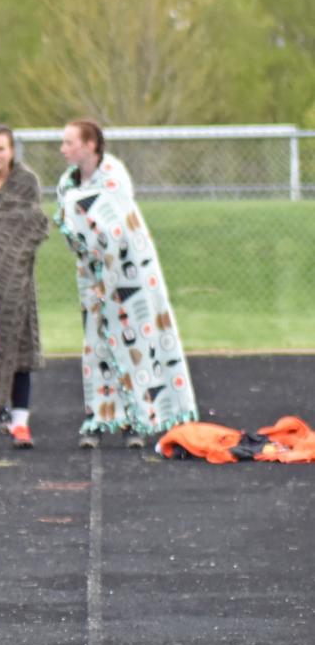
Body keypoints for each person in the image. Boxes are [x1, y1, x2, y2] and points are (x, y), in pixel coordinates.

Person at [56, 118, 197, 448]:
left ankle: (138, 419)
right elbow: (74, 224)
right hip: (93, 279)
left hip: (129, 276)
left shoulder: (114, 177)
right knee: (97, 345)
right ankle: (99, 417)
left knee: (136, 344)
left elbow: (116, 225)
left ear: (89, 145)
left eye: (69, 143)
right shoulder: (67, 183)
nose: (63, 150)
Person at [0, 123, 49, 450]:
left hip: (16, 281)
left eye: (1, 148)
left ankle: (19, 422)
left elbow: (33, 225)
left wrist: (10, 256)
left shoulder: (26, 182)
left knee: (18, 352)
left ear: (11, 150)